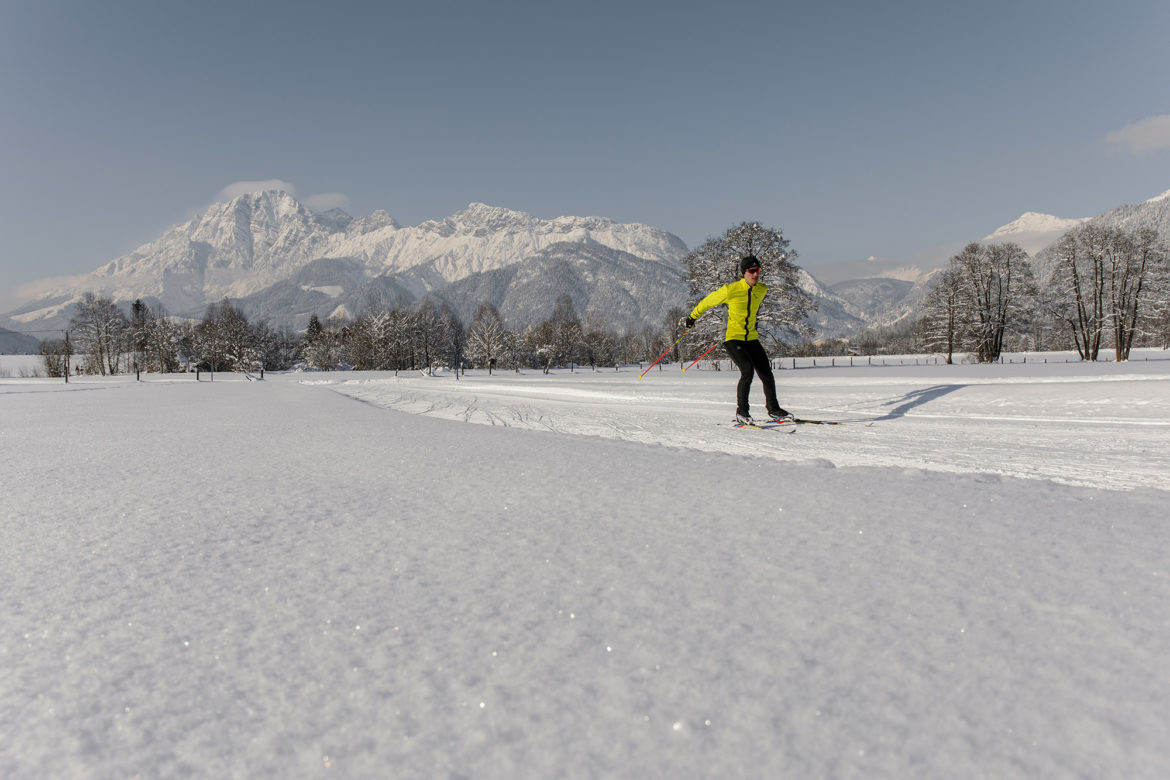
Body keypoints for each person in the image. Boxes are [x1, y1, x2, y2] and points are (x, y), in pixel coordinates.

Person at [685, 255, 793, 425]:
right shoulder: (731, 290)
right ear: (744, 273)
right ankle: (742, 412)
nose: (756, 274)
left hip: (751, 338)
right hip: (733, 338)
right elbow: (707, 302)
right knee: (748, 370)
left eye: (758, 271)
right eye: (752, 271)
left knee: (766, 372)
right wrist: (692, 317)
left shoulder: (761, 289)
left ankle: (774, 409)